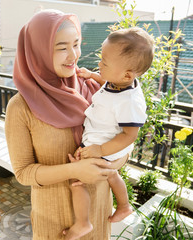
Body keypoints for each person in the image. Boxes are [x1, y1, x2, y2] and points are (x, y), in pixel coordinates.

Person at [5, 9, 128, 240]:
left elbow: (125, 145)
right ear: (37, 51)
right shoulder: (21, 107)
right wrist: (74, 170)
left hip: (100, 212)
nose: (73, 55)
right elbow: (23, 173)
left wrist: (108, 163)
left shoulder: (96, 89)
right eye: (62, 47)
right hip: (54, 219)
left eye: (76, 44)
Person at [65, 27, 154, 239]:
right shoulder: (120, 82)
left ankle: (82, 223)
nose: (100, 64)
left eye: (105, 62)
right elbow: (109, 84)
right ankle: (124, 205)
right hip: (102, 141)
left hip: (107, 144)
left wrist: (99, 150)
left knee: (75, 177)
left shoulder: (130, 102)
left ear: (127, 74)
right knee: (111, 174)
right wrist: (93, 76)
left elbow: (129, 135)